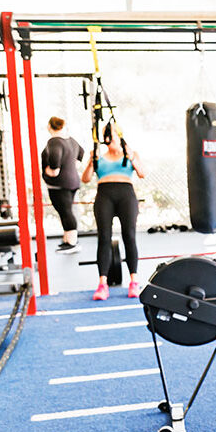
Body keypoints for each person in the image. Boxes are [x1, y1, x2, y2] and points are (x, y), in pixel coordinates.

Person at [81, 121, 145, 300]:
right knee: (104, 238)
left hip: (126, 195)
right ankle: (103, 284)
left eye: (112, 137)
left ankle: (134, 282)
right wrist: (90, 163)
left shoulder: (130, 154)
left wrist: (132, 158)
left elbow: (142, 173)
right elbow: (85, 179)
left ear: (119, 136)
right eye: (106, 139)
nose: (109, 141)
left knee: (129, 236)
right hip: (104, 195)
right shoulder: (99, 157)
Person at [40, 116, 86, 252]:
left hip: (59, 184)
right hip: (71, 182)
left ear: (49, 127)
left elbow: (54, 162)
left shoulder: (54, 142)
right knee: (65, 211)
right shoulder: (70, 140)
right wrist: (71, 166)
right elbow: (81, 153)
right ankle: (68, 239)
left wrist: (51, 171)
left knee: (66, 212)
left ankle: (72, 243)